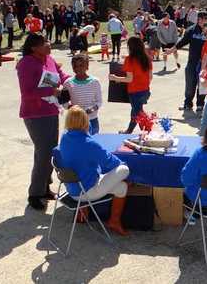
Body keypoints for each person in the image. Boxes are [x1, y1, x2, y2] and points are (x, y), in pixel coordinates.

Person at [55, 106, 129, 234]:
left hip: (71, 189)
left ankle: (113, 221)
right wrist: (121, 167)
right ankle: (113, 221)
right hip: (85, 191)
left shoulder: (65, 137)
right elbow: (110, 162)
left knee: (122, 187)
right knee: (124, 169)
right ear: (86, 121)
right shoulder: (89, 143)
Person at [17, 33, 70, 211]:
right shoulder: (26, 64)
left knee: (50, 151)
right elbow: (28, 92)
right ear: (33, 47)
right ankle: (35, 194)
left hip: (51, 111)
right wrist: (52, 91)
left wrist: (72, 81)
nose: (48, 45)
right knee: (43, 153)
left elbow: (61, 75)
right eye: (44, 43)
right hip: (35, 114)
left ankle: (45, 187)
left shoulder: (49, 59)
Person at [109, 37, 153, 134]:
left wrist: (115, 78)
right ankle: (133, 130)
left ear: (130, 47)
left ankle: (147, 130)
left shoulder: (130, 60)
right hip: (145, 90)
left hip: (134, 91)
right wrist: (144, 85)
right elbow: (150, 77)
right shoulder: (147, 58)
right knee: (136, 111)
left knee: (138, 113)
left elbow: (129, 79)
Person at [168, 13, 207, 112]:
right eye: (202, 19)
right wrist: (171, 50)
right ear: (198, 19)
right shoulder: (191, 30)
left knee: (202, 85)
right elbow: (182, 42)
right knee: (190, 84)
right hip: (192, 62)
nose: (204, 21)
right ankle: (188, 104)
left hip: (205, 63)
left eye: (206, 19)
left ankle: (200, 104)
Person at [64, 54, 103, 135]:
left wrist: (90, 110)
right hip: (75, 122)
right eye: (75, 66)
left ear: (87, 66)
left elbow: (99, 102)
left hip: (92, 120)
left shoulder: (95, 82)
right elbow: (64, 103)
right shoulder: (68, 83)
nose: (78, 68)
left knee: (92, 142)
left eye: (81, 65)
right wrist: (74, 109)